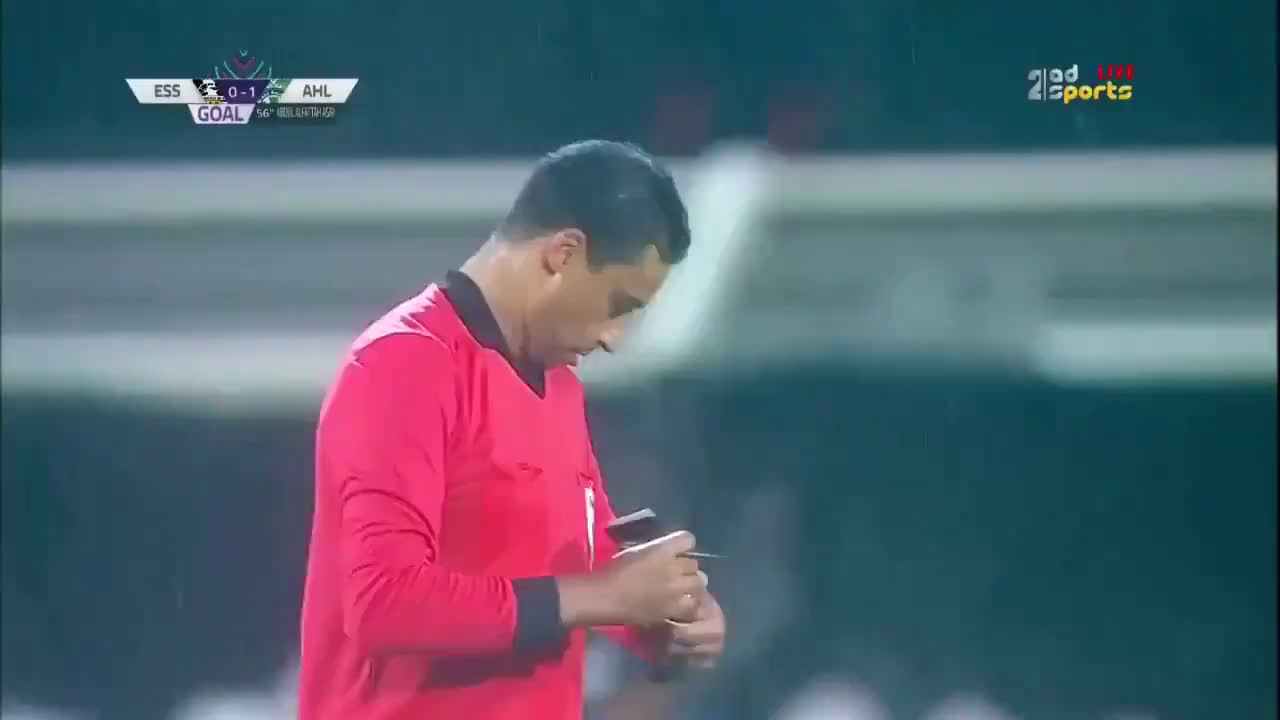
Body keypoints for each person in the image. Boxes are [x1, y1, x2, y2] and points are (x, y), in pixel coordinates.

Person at [297, 140, 727, 719]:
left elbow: (586, 562)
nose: (614, 339)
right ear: (563, 254)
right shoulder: (405, 362)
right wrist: (609, 595)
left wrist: (665, 618)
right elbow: (384, 601)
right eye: (617, 305)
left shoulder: (559, 384)